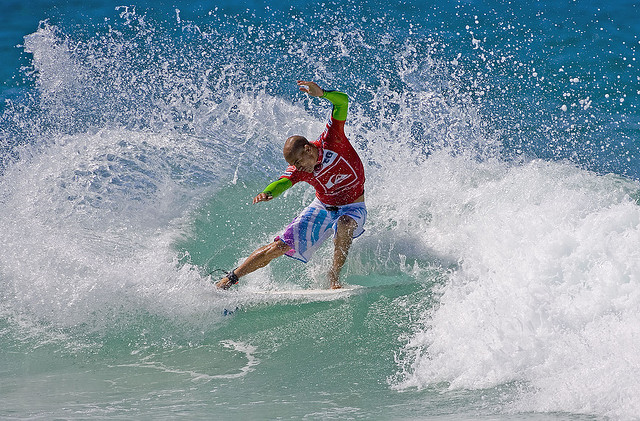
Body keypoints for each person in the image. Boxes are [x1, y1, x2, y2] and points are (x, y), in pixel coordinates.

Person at [215, 80, 366, 290]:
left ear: (307, 149)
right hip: (322, 207)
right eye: (293, 165)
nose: (297, 168)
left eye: (298, 162)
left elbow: (342, 103)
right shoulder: (299, 170)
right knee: (278, 246)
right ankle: (230, 279)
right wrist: (267, 192)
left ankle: (334, 277)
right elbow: (282, 182)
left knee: (344, 224)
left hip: (353, 207)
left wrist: (322, 94)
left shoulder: (333, 140)